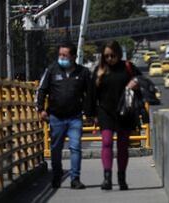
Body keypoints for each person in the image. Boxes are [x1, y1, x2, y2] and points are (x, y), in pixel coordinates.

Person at [86, 40, 142, 190]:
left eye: (112, 55)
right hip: (105, 111)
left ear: (119, 54)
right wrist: (91, 114)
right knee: (107, 142)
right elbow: (92, 93)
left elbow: (141, 80)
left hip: (125, 111)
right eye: (106, 56)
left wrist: (134, 82)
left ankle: (122, 178)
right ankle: (107, 177)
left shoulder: (128, 67)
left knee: (123, 146)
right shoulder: (99, 70)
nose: (110, 59)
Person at [37, 42, 90, 189]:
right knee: (55, 148)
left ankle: (75, 178)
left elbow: (90, 94)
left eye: (65, 55)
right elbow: (42, 90)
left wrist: (91, 112)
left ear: (73, 57)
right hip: (56, 117)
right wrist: (41, 109)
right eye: (60, 55)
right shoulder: (51, 70)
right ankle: (57, 175)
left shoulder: (83, 72)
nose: (61, 58)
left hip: (75, 117)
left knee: (75, 147)